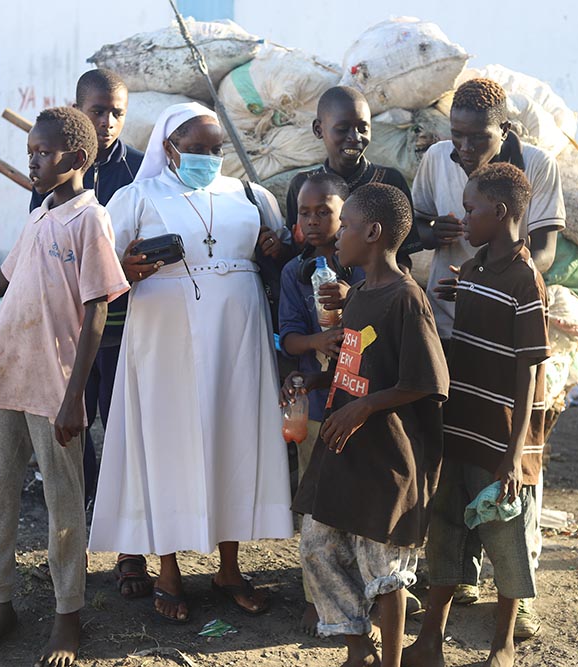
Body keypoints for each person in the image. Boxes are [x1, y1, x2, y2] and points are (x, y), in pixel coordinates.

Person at [0, 107, 129, 667]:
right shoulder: (40, 215)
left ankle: (68, 616)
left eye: (43, 152)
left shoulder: (91, 220)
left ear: (78, 160)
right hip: (6, 373)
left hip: (54, 385)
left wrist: (74, 398)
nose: (32, 159)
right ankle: (0, 603)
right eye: (30, 150)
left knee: (63, 502)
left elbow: (96, 314)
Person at [89, 102, 294, 623]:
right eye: (196, 148)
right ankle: (169, 570)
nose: (208, 157)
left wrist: (273, 247)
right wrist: (127, 268)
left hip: (238, 335)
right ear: (168, 147)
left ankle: (229, 567)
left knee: (232, 436)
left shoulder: (251, 195)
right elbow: (101, 268)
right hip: (164, 334)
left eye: (216, 149)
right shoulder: (136, 196)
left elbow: (281, 255)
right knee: (169, 442)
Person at [413, 77, 564, 635]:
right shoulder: (436, 159)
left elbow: (543, 248)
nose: (464, 150)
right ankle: (460, 570)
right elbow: (415, 228)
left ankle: (516, 589)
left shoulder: (537, 167)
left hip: (503, 327)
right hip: (451, 324)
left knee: (511, 460)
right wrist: (437, 231)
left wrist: (496, 286)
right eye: (457, 137)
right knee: (455, 455)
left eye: (476, 138)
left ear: (504, 130)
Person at [287, 182, 449, 667]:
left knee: (384, 569)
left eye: (348, 225)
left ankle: (391, 660)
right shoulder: (357, 294)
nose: (337, 235)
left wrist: (365, 408)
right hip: (345, 453)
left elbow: (426, 381)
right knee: (317, 547)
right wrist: (315, 382)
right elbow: (356, 365)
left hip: (388, 459)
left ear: (373, 233)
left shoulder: (406, 299)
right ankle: (359, 651)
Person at [404, 163, 549, 667]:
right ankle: (429, 641)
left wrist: (513, 457)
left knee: (505, 538)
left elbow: (528, 367)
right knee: (446, 533)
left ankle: (503, 644)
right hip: (461, 428)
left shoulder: (526, 278)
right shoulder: (479, 267)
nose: (463, 219)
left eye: (471, 209)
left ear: (501, 211)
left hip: (501, 442)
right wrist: (464, 293)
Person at [28, 67, 153, 600]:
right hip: (69, 336)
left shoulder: (144, 171)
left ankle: (130, 555)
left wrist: (125, 264)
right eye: (98, 110)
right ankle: (72, 549)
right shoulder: (51, 175)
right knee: (74, 442)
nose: (108, 122)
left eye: (118, 112)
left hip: (126, 330)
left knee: (124, 437)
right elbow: (41, 252)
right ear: (79, 109)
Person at [277, 171, 364, 635]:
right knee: (317, 507)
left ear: (346, 217)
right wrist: (320, 339)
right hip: (316, 408)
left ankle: (371, 589)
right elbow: (289, 338)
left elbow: (386, 327)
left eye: (323, 213)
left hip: (366, 406)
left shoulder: (369, 269)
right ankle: (316, 596)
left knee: (362, 502)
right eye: (304, 214)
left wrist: (353, 307)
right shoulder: (296, 272)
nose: (312, 222)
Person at [284, 86, 421, 259]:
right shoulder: (303, 186)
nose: (355, 137)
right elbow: (295, 250)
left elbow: (402, 257)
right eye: (342, 129)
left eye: (363, 129)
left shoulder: (389, 181)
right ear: (319, 130)